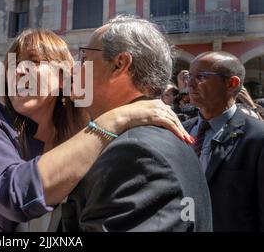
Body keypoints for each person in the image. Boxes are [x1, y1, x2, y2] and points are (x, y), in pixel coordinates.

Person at [0, 28, 192, 232]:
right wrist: (117, 118)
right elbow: (13, 193)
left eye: (35, 61)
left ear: (64, 77)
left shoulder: (86, 135)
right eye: (13, 64)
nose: (19, 69)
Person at [61, 16, 212, 232]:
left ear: (119, 65)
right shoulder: (144, 138)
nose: (76, 67)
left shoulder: (134, 152)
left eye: (84, 57)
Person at [183, 51, 264, 231]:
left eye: (202, 76)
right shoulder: (181, 130)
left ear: (231, 83)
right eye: (189, 76)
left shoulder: (257, 138)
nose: (190, 83)